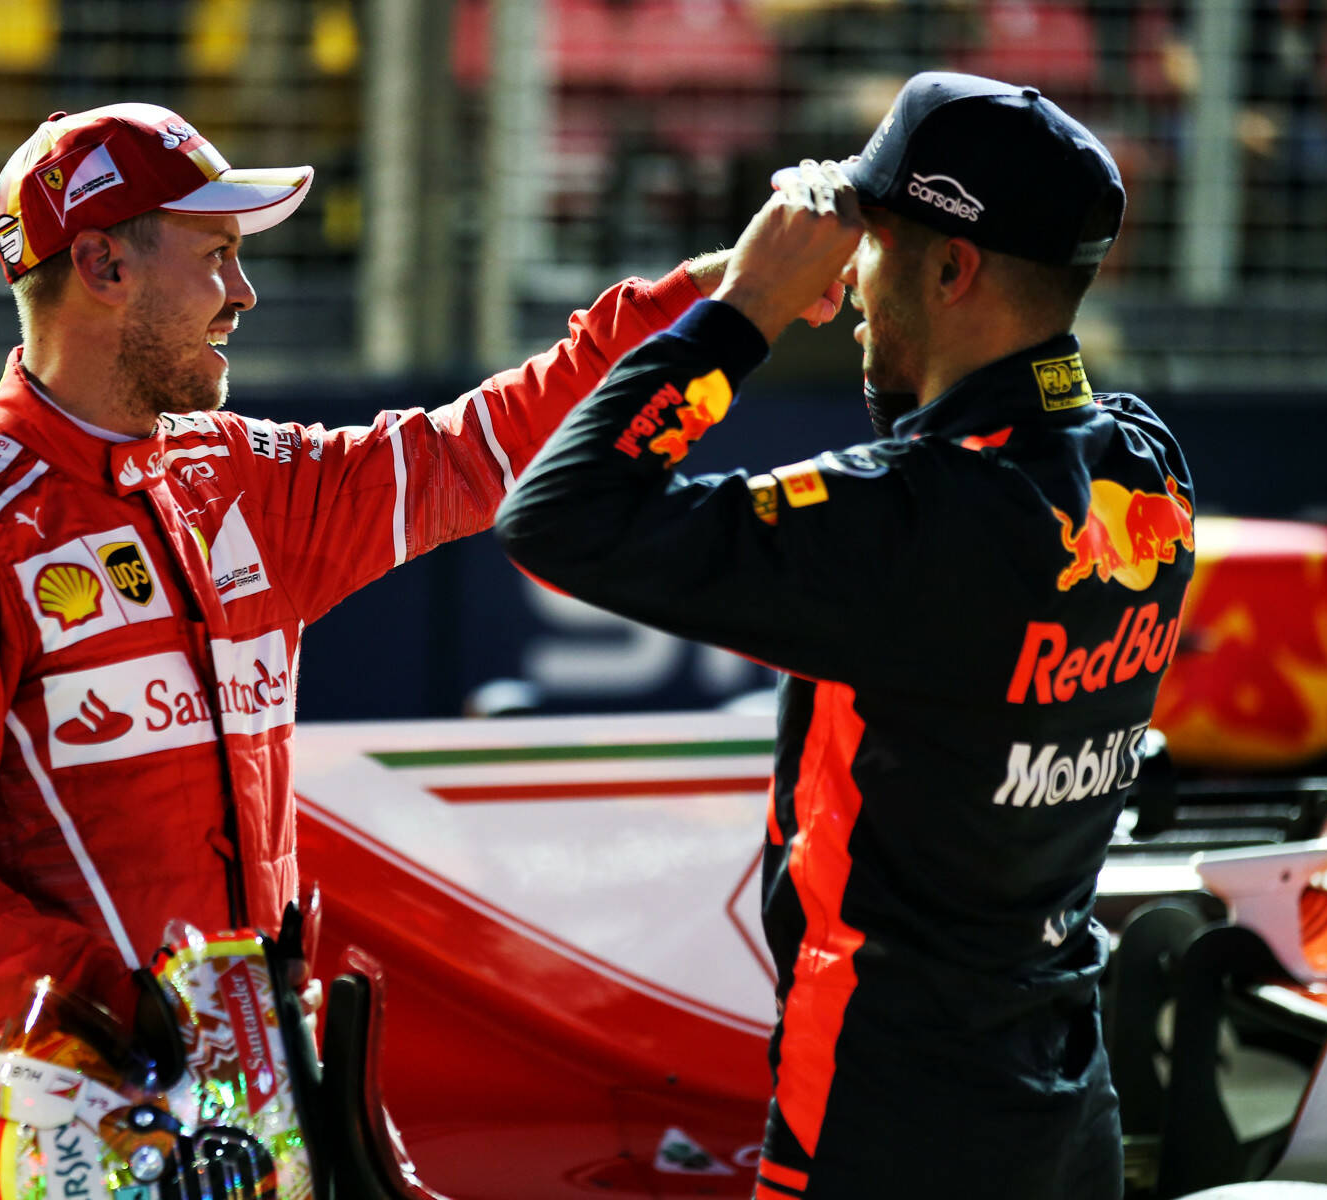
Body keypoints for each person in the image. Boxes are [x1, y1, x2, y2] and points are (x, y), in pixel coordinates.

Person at [0, 101, 719, 1198]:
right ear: (102, 265)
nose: (243, 293)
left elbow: (477, 449)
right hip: (74, 1134)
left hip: (265, 1111)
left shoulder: (236, 478)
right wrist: (113, 994)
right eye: (216, 255)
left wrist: (721, 303)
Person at [497, 72, 1193, 1200]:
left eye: (871, 244)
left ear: (953, 269)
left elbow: (559, 519)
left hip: (889, 1114)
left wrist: (745, 312)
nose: (853, 278)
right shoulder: (1147, 460)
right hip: (1065, 1104)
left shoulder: (919, 518)